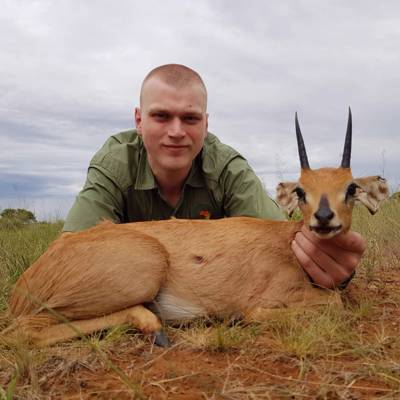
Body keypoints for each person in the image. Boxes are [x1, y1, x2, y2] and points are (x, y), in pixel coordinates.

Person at [63, 64, 364, 289]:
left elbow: (287, 247)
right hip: (133, 281)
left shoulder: (228, 169)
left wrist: (333, 267)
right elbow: (71, 253)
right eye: (161, 116)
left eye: (190, 118)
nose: (176, 131)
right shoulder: (115, 163)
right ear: (139, 121)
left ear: (206, 125)